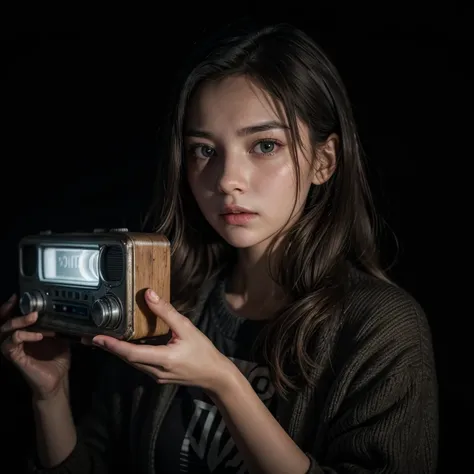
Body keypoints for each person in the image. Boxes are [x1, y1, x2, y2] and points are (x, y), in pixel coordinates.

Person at [0, 21, 438, 474]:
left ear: (324, 162)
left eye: (265, 145)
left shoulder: (381, 328)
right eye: (204, 151)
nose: (228, 180)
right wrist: (50, 397)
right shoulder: (163, 304)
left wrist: (224, 382)